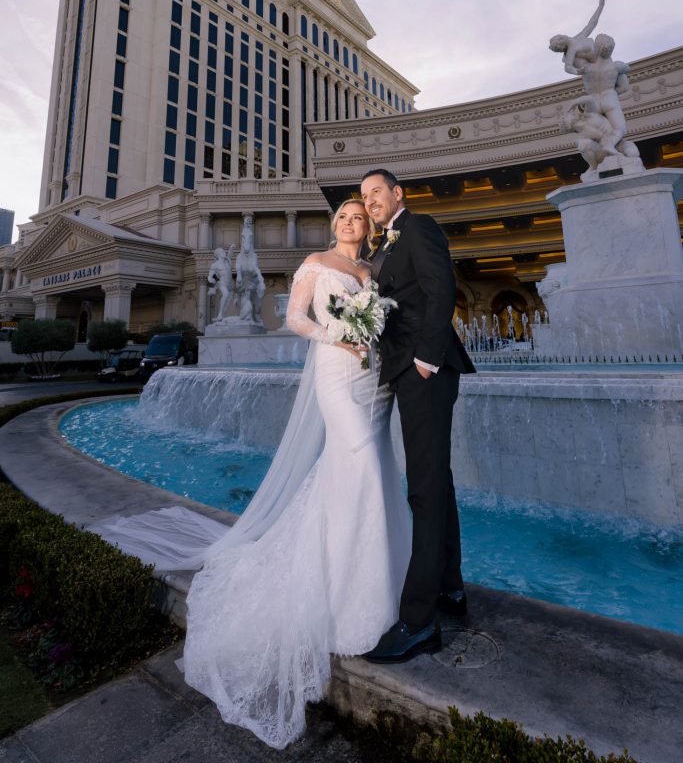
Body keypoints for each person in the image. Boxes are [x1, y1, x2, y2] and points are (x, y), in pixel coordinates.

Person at [92, 199, 411, 749]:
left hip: (374, 379)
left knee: (374, 469)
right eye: (343, 218)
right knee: (354, 459)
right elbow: (295, 318)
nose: (350, 224)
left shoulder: (370, 272)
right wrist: (339, 337)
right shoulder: (315, 262)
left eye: (358, 218)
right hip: (337, 372)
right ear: (335, 225)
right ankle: (338, 595)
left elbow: (383, 321)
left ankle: (378, 587)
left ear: (368, 227)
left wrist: (373, 336)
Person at [360, 169, 476, 664]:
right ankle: (450, 589)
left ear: (397, 194)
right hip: (408, 369)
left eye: (376, 192)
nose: (370, 202)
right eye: (364, 197)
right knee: (438, 482)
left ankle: (418, 620)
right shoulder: (379, 248)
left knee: (424, 489)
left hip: (425, 369)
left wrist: (427, 359)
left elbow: (440, 288)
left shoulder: (420, 226)